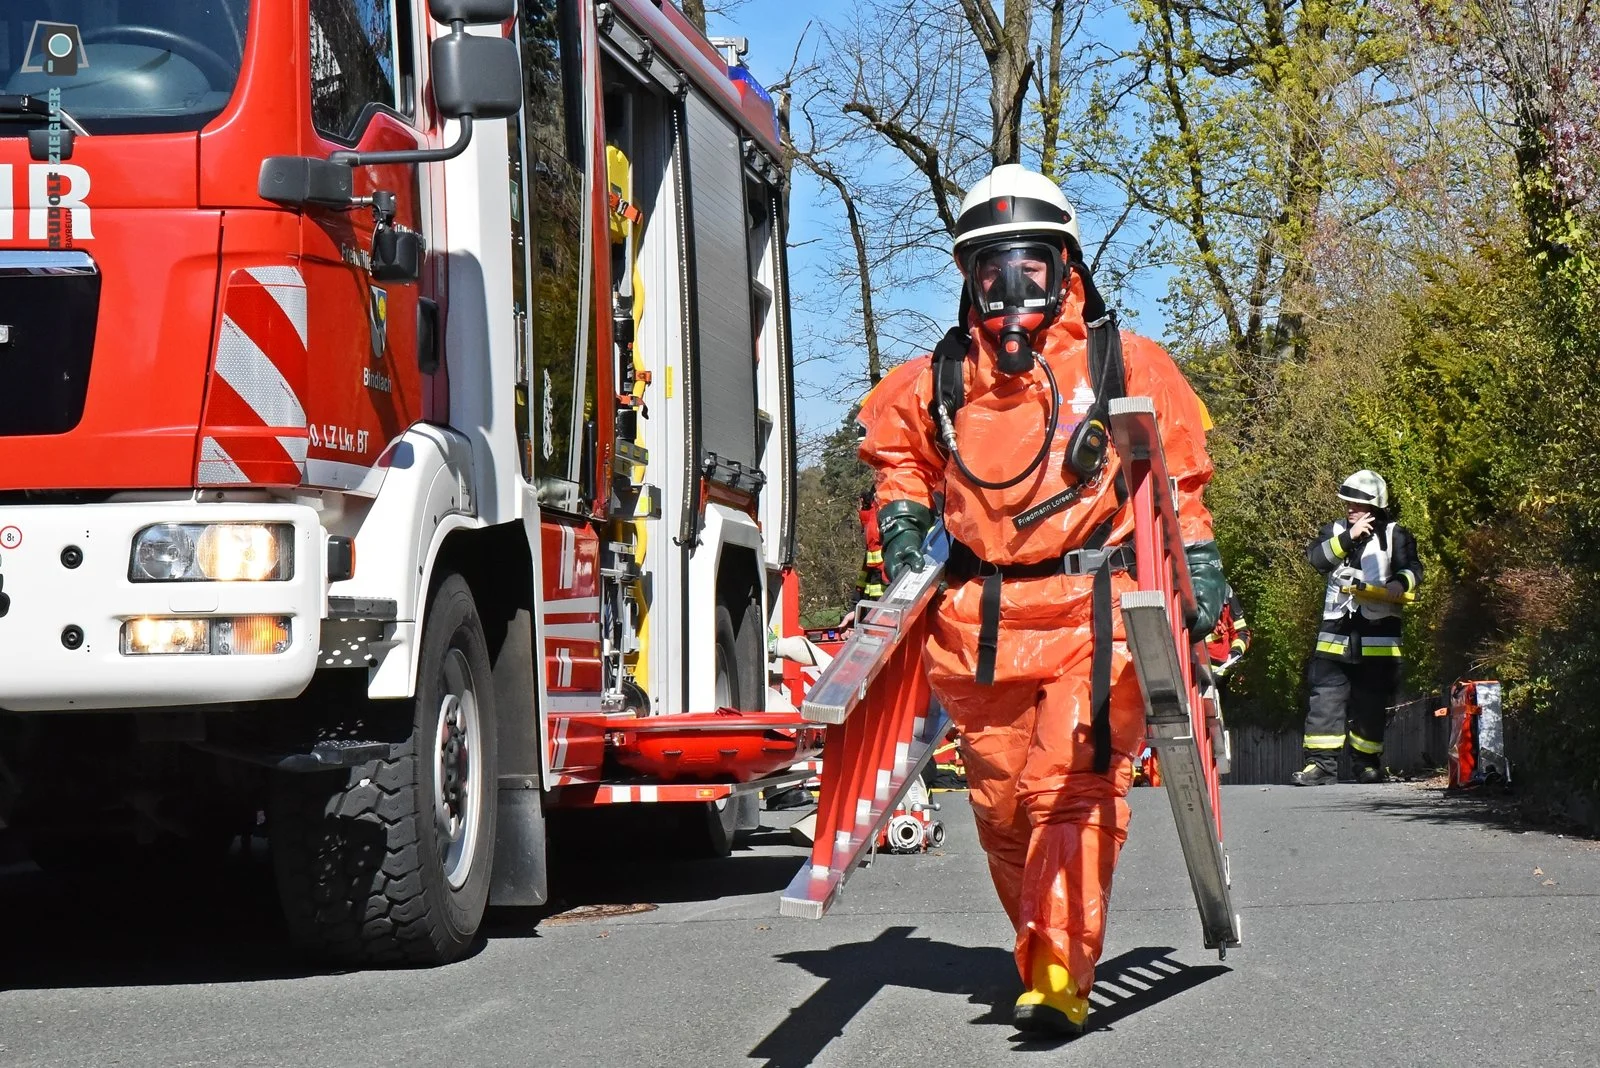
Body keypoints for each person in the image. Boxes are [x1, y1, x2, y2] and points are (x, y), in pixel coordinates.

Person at [860, 164, 1224, 1036]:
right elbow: (899, 458)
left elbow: (1181, 477)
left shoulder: (1125, 363)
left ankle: (1061, 970)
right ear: (968, 278)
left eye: (1029, 267)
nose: (1010, 289)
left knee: (1070, 789)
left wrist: (1197, 566)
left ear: (1066, 267)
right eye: (991, 271)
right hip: (978, 629)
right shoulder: (937, 380)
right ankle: (1042, 949)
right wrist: (903, 523)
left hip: (1093, 617)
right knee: (999, 808)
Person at [1291, 470, 1423, 786]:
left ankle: (1366, 764)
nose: (1350, 509)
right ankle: (1320, 766)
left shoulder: (1395, 535)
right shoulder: (1334, 531)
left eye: (1357, 504)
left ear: (1375, 506)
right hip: (1335, 636)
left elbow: (1414, 568)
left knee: (1371, 703)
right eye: (1348, 503)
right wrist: (1349, 537)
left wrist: (1399, 582)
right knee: (1325, 701)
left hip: (1378, 638)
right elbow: (1317, 559)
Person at [1205, 583, 1251, 685]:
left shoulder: (1226, 593)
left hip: (1219, 676)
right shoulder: (1186, 591)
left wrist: (1235, 652)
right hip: (1187, 668)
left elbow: (1242, 632)